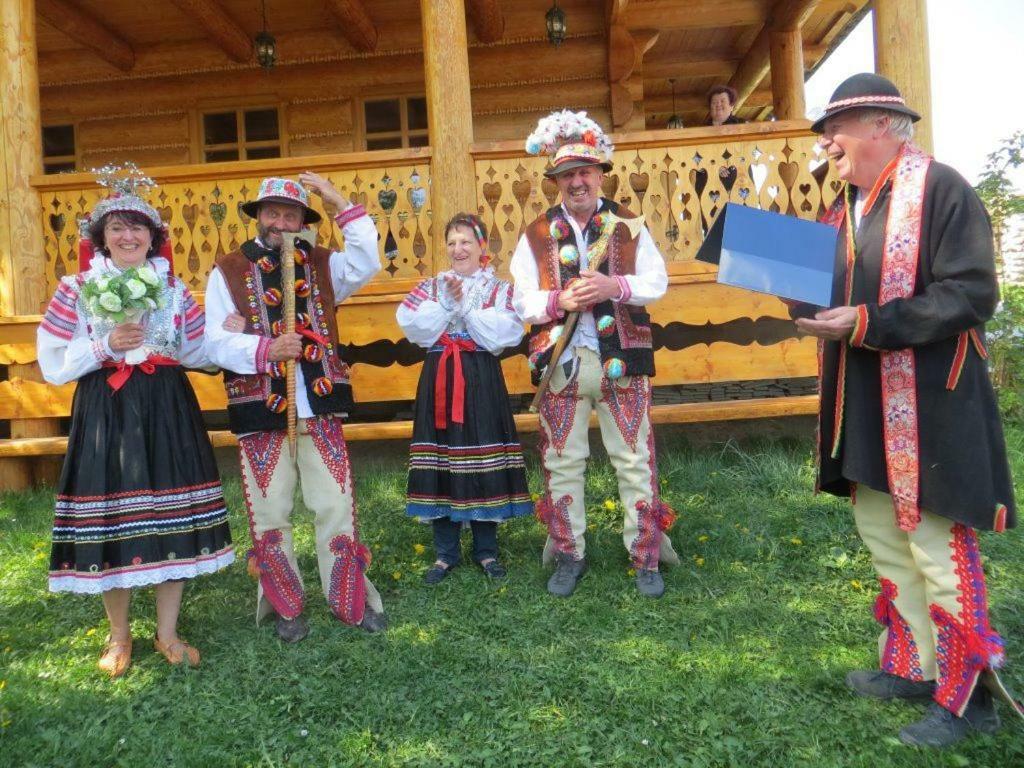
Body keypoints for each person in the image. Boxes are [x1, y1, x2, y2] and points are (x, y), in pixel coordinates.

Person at [793, 72, 1019, 747]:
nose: (828, 142)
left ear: (884, 126)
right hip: (863, 401)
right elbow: (824, 292)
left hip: (929, 401)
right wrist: (785, 283)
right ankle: (920, 666)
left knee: (934, 542)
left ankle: (970, 696)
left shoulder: (941, 188)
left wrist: (863, 321)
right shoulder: (846, 210)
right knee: (882, 529)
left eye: (838, 128)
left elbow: (972, 294)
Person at [38, 166, 233, 677]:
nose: (129, 237)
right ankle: (119, 635)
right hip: (108, 406)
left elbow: (197, 350)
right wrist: (104, 345)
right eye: (118, 228)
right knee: (114, 518)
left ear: (153, 237)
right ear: (102, 238)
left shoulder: (175, 289)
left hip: (167, 406)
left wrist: (228, 331)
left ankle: (166, 632)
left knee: (173, 513)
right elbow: (52, 358)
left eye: (138, 228)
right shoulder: (77, 288)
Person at [204, 174, 386, 642]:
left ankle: (350, 599)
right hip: (260, 409)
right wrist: (266, 350)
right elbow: (215, 343)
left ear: (302, 221)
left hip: (319, 404)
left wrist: (337, 200)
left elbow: (368, 257)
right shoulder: (227, 271)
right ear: (259, 216)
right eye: (273, 213)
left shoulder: (323, 264)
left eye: (291, 215)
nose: (281, 222)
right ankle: (285, 605)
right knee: (271, 511)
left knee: (334, 505)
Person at [512, 110, 679, 599]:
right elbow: (519, 295)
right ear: (556, 182)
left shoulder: (630, 224)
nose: (577, 181)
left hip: (623, 361)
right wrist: (557, 301)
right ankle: (569, 553)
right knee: (563, 460)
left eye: (585, 171)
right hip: (562, 363)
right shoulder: (535, 233)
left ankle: (645, 554)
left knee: (633, 459)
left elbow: (657, 283)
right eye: (567, 175)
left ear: (600, 174)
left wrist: (615, 286)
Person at [396, 213, 532, 583]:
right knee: (441, 457)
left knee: (482, 451)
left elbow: (506, 333)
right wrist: (446, 305)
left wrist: (465, 309)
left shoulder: (500, 289)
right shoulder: (432, 286)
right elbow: (410, 324)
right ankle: (445, 553)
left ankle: (486, 551)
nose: (458, 249)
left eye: (466, 242)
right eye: (452, 242)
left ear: (481, 247)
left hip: (480, 377)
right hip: (440, 374)